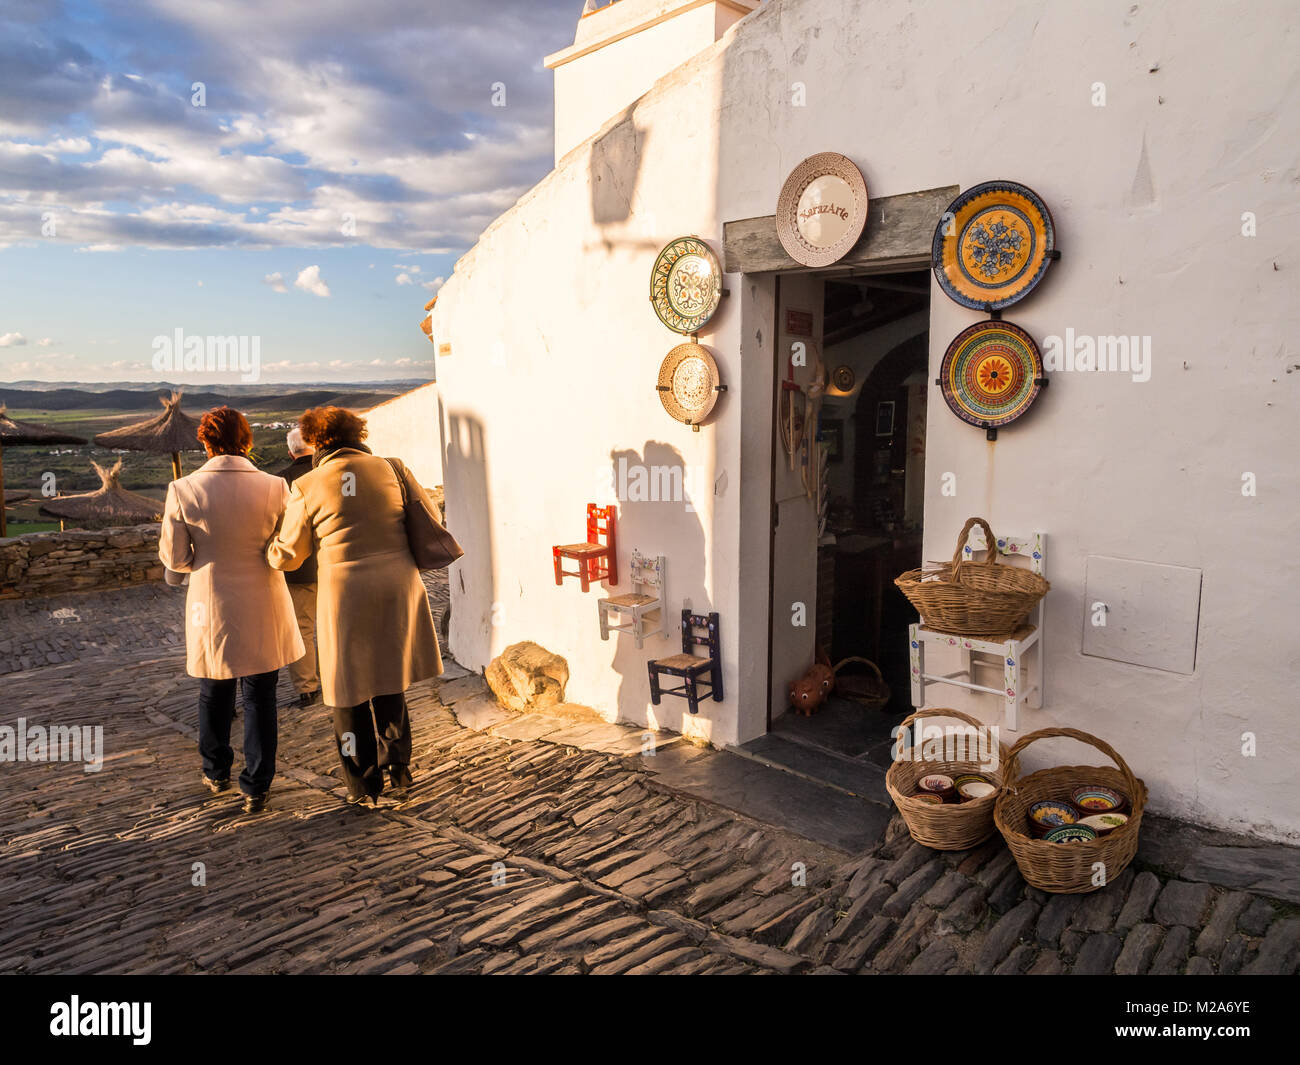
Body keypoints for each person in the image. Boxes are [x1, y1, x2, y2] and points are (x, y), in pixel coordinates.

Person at [267, 406, 442, 806]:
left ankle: (363, 783)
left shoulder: (309, 484)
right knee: (388, 674)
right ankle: (398, 765)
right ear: (356, 433)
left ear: (316, 441)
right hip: (398, 584)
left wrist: (269, 553)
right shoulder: (393, 468)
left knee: (347, 689)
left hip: (345, 593)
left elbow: (290, 553)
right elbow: (430, 516)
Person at [159, 406, 303, 814]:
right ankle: (256, 785)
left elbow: (175, 557)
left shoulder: (183, 488)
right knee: (261, 696)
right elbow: (285, 546)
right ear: (247, 440)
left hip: (211, 599)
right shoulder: (276, 486)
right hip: (263, 597)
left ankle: (216, 770)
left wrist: (202, 560)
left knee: (213, 687)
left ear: (204, 441)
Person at [276, 427, 321, 706]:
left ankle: (307, 687)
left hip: (299, 566)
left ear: (290, 452)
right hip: (334, 561)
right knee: (336, 624)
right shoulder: (329, 473)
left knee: (302, 627)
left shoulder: (280, 481)